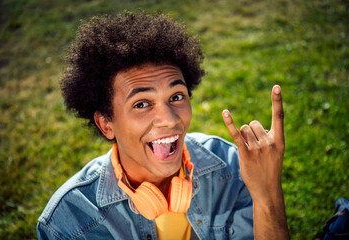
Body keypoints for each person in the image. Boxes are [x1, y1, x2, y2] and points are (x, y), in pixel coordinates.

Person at [37, 11, 290, 239]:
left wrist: (267, 195)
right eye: (141, 104)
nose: (170, 119)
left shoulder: (234, 167)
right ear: (106, 124)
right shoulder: (68, 222)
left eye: (176, 97)